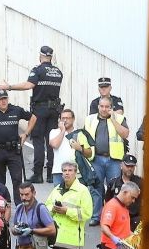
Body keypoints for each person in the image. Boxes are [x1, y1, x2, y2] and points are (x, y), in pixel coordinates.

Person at [0, 45, 64, 183]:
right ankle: (51, 174)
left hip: (40, 110)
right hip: (54, 110)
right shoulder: (58, 72)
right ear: (51, 57)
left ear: (40, 56)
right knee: (51, 140)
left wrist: (9, 87)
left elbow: (29, 85)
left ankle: (38, 174)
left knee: (38, 141)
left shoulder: (38, 70)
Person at [84, 96, 130, 226]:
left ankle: (113, 216)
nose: (104, 109)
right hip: (95, 158)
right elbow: (84, 137)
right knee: (96, 188)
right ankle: (96, 216)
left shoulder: (119, 118)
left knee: (115, 188)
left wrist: (113, 119)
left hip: (113, 160)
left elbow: (125, 134)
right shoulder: (89, 119)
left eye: (107, 107)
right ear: (98, 106)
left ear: (111, 108)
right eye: (102, 106)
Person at [44, 161, 94, 249]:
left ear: (75, 173)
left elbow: (87, 213)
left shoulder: (82, 191)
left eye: (70, 170)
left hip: (73, 242)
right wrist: (53, 209)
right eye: (64, 171)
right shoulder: (57, 189)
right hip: (57, 240)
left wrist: (67, 211)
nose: (67, 173)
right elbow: (45, 209)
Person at [11, 182, 56, 249]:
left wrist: (32, 230)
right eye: (21, 195)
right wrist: (16, 230)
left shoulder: (40, 208)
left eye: (27, 194)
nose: (24, 198)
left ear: (34, 193)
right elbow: (13, 228)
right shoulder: (19, 208)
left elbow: (52, 229)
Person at [48, 108, 94, 186]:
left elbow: (89, 153)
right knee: (59, 197)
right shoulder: (54, 132)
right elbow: (54, 145)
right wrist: (62, 131)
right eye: (63, 118)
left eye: (68, 118)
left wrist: (80, 148)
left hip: (76, 173)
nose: (65, 120)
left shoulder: (80, 133)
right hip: (59, 172)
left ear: (73, 119)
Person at [105, 153, 143, 229]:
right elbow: (107, 202)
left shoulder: (140, 183)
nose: (130, 168)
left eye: (132, 166)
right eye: (127, 166)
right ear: (121, 165)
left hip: (134, 220)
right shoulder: (113, 183)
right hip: (117, 221)